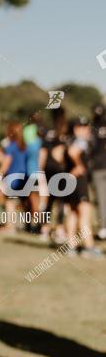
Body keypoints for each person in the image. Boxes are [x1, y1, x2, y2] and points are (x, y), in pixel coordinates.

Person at [64, 117, 102, 258]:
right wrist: (79, 165)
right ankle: (89, 247)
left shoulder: (69, 139)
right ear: (76, 128)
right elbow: (72, 152)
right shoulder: (79, 141)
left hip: (71, 181)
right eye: (83, 127)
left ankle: (71, 247)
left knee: (73, 213)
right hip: (79, 182)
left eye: (87, 127)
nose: (87, 130)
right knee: (85, 213)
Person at [0, 122, 28, 233]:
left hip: (12, 177)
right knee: (22, 202)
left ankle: (10, 227)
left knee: (9, 202)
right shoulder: (24, 146)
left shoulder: (11, 146)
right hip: (24, 176)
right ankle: (27, 226)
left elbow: (6, 162)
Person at [90, 105, 106, 240]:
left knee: (101, 199)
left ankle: (103, 228)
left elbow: (91, 148)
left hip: (98, 167)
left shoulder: (91, 128)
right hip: (99, 167)